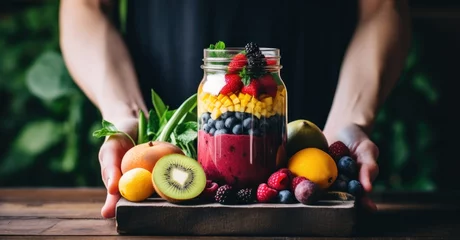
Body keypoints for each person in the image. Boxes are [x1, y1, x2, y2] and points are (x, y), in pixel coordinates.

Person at [59, 0, 411, 218]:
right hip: (179, 160)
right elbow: (84, 7)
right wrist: (129, 115)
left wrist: (346, 122)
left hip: (306, 158)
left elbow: (383, 7)